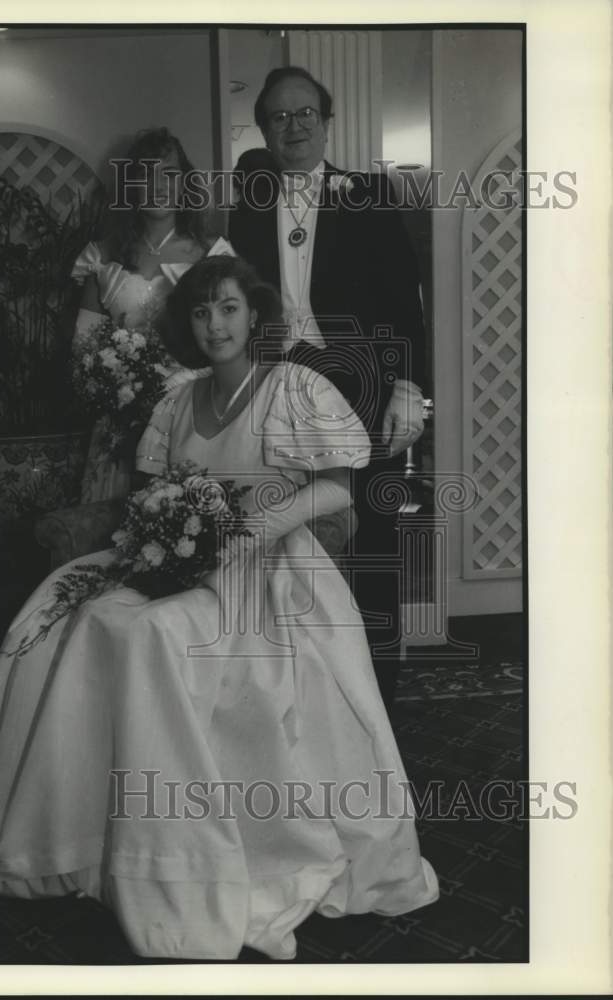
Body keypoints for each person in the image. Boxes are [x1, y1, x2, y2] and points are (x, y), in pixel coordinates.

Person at [0, 256, 438, 962]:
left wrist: (248, 530)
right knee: (70, 614)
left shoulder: (292, 386)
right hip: (191, 560)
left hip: (270, 571)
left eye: (230, 308)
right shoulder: (177, 400)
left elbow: (334, 489)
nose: (216, 324)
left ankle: (186, 858)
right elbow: (161, 493)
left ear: (255, 316)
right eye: (204, 312)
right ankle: (82, 836)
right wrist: (164, 536)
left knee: (152, 633)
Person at [229, 67, 427, 712]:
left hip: (363, 390)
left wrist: (409, 387)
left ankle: (377, 704)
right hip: (276, 395)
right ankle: (299, 706)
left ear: (326, 120)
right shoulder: (248, 207)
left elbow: (405, 304)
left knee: (372, 542)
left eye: (306, 113)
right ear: (262, 129)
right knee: (285, 544)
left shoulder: (367, 193)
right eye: (280, 117)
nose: (295, 127)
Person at [71, 126, 234, 500]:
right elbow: (82, 350)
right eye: (146, 174)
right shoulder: (101, 256)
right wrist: (118, 391)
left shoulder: (214, 254)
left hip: (193, 413)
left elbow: (228, 343)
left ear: (184, 184)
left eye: (170, 173)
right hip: (120, 419)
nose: (158, 184)